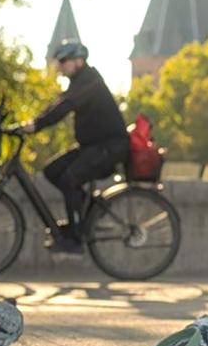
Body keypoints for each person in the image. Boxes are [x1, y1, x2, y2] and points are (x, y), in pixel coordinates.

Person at [20, 40, 129, 252]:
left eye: (63, 61)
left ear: (78, 61)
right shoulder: (78, 83)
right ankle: (88, 212)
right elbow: (58, 104)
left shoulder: (90, 80)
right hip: (92, 147)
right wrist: (34, 121)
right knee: (52, 171)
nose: (60, 66)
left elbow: (66, 107)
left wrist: (38, 126)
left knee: (70, 179)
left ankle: (76, 237)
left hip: (110, 147)